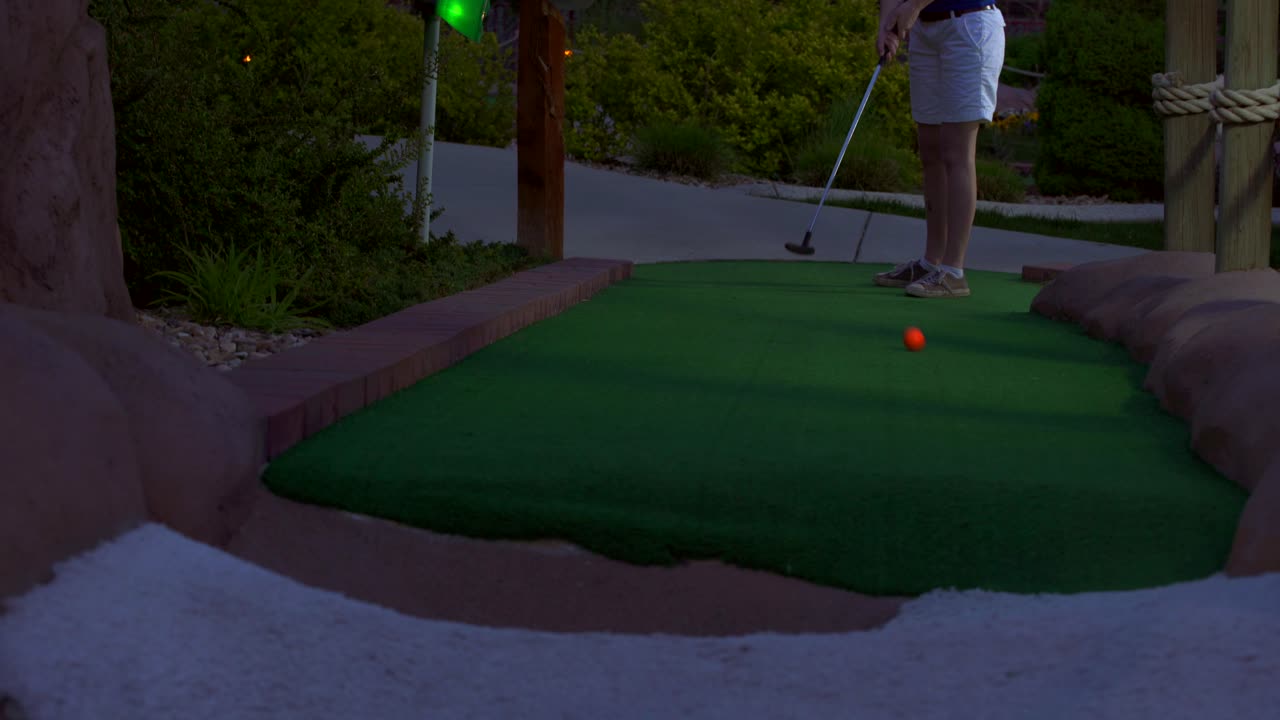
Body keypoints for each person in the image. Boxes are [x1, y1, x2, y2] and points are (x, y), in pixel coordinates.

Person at [872, 0, 1006, 298]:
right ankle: (930, 262)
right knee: (930, 152)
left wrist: (913, 6)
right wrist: (885, 27)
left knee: (956, 153)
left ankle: (954, 271)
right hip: (925, 31)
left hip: (969, 26)